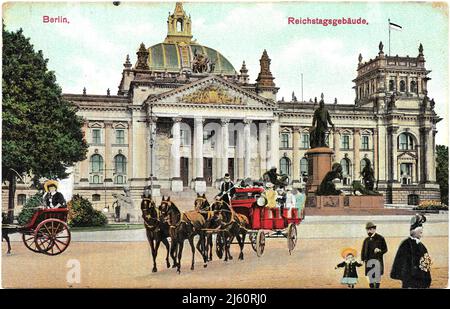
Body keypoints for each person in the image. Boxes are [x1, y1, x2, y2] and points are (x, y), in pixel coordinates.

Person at [390, 214, 432, 288]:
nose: (421, 235)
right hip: (409, 280)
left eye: (421, 233)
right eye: (420, 233)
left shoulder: (422, 246)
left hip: (420, 280)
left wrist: (426, 278)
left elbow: (426, 264)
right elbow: (400, 262)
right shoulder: (406, 244)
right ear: (414, 232)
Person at [361, 222, 388, 288]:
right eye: (367, 230)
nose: (368, 231)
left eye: (370, 229)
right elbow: (363, 250)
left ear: (374, 229)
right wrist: (362, 259)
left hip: (377, 261)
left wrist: (379, 250)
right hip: (368, 262)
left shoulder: (380, 238)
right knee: (370, 279)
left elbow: (385, 249)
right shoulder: (366, 240)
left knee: (377, 278)